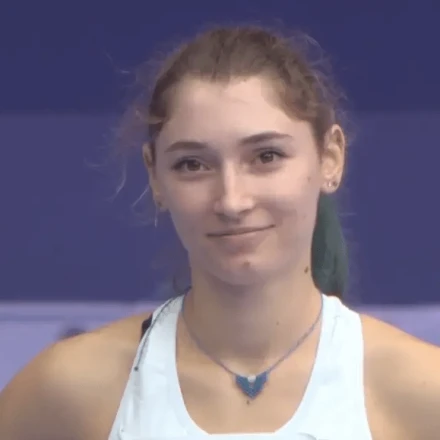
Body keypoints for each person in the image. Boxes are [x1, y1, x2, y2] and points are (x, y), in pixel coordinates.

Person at [0, 25, 439, 440]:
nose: (232, 200)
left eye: (266, 156)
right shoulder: (72, 388)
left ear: (330, 158)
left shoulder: (419, 392)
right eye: (193, 164)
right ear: (154, 175)